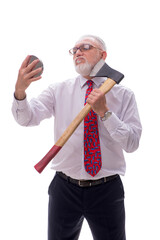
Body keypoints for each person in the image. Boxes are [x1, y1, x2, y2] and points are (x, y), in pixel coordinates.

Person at [12, 35, 142, 240]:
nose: (78, 52)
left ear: (103, 55)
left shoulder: (124, 95)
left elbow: (133, 144)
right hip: (64, 189)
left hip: (107, 190)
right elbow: (26, 118)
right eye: (74, 50)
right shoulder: (58, 90)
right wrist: (20, 92)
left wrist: (105, 113)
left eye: (86, 47)